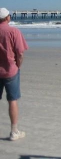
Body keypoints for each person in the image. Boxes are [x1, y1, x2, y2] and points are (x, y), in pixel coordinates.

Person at [0, 8, 28, 141]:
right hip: (10, 70)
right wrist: (18, 65)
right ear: (7, 18)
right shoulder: (13, 31)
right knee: (12, 100)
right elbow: (20, 53)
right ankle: (14, 131)